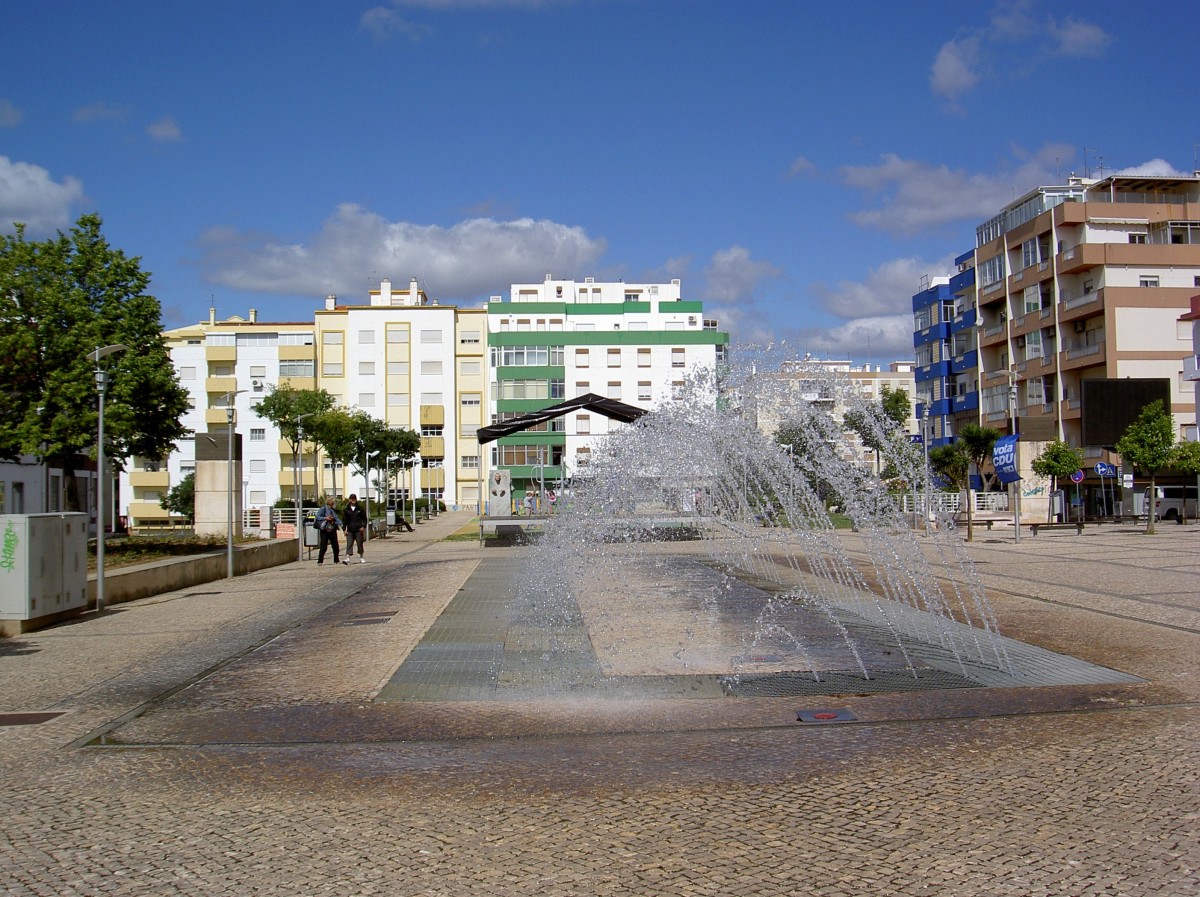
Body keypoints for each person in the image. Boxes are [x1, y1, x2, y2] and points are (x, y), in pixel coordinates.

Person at [314, 496, 346, 565]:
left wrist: (342, 525)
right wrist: (325, 518)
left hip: (332, 529)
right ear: (329, 502)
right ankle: (320, 561)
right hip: (325, 530)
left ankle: (336, 560)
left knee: (335, 546)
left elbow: (336, 519)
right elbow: (318, 517)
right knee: (323, 546)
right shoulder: (323, 509)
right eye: (332, 502)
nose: (333, 503)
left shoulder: (332, 510)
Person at [343, 493, 368, 563]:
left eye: (354, 499)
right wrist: (344, 529)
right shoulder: (346, 510)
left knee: (359, 543)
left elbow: (364, 519)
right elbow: (344, 520)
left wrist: (363, 526)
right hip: (350, 529)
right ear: (350, 500)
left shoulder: (360, 509)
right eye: (352, 499)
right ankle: (347, 557)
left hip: (358, 529)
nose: (353, 500)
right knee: (349, 543)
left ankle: (361, 557)